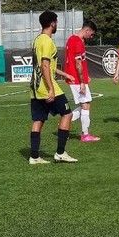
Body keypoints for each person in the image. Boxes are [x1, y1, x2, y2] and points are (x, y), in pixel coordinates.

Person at [28, 10, 78, 164]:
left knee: (38, 120)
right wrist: (50, 89)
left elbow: (48, 66)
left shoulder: (37, 40)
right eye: (56, 22)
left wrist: (64, 74)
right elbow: (44, 66)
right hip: (47, 87)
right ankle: (60, 153)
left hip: (35, 87)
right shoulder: (47, 41)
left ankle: (34, 157)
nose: (57, 25)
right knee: (67, 114)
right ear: (52, 23)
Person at [64, 20, 100, 142]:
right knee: (85, 105)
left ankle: (65, 123)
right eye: (92, 34)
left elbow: (80, 62)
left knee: (86, 104)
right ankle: (85, 135)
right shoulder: (78, 42)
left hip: (75, 78)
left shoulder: (72, 39)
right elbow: (78, 63)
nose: (92, 37)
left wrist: (86, 76)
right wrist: (82, 82)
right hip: (77, 80)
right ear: (87, 30)